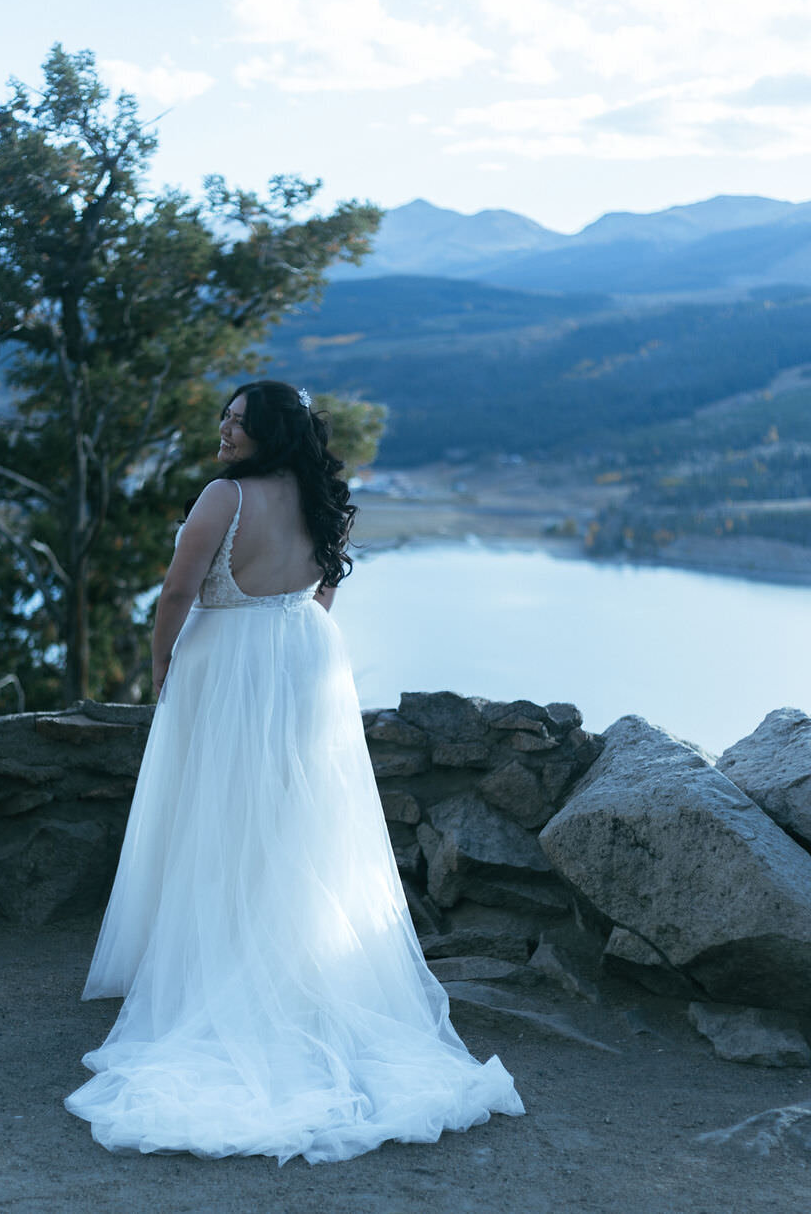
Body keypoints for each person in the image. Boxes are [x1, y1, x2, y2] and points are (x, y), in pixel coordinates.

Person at [64, 380, 524, 1164]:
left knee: (216, 816)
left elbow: (178, 589)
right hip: (301, 658)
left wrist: (163, 664)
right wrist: (289, 650)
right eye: (224, 418)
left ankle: (221, 972)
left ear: (269, 432)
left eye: (239, 423)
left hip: (226, 660)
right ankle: (285, 958)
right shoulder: (323, 502)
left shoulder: (223, 498)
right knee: (293, 822)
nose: (224, 430)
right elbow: (324, 590)